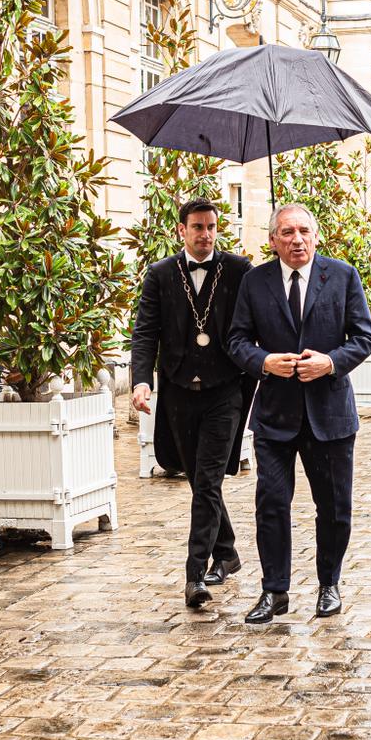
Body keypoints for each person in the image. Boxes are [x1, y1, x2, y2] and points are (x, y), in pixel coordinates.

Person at [227, 204, 371, 623]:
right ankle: (274, 591)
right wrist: (263, 362)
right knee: (271, 504)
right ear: (273, 239)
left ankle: (329, 583)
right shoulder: (255, 282)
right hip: (275, 414)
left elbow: (364, 336)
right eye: (287, 232)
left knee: (333, 507)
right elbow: (237, 340)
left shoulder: (342, 276)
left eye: (304, 231)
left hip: (329, 415)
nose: (297, 240)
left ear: (316, 235)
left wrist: (330, 362)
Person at [130, 199, 256, 610]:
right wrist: (140, 382)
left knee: (206, 480)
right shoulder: (161, 274)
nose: (205, 234)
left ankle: (193, 575)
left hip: (225, 391)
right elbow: (146, 332)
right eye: (197, 227)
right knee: (201, 480)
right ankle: (228, 552)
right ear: (181, 230)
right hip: (180, 392)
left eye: (212, 227)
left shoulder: (238, 271)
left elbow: (256, 322)